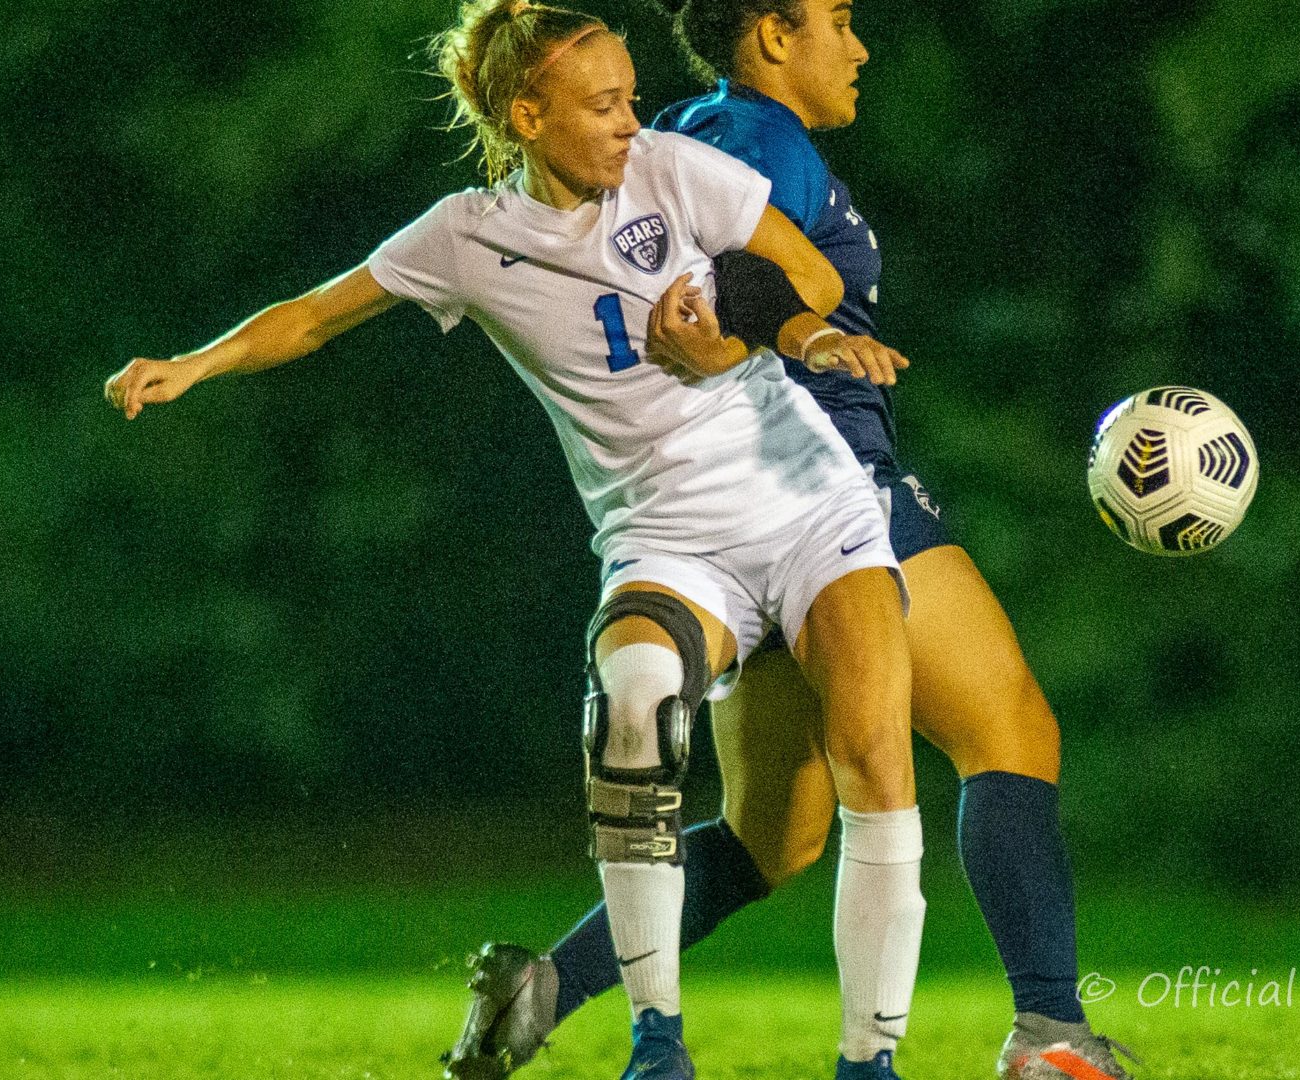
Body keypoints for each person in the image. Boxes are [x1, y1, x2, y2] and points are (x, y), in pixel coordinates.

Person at [101, 3, 931, 1078]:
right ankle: (656, 1045)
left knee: (874, 754)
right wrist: (192, 366)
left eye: (633, 98)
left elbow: (809, 278)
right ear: (527, 115)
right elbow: (312, 314)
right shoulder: (468, 235)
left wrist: (746, 336)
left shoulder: (675, 169)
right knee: (631, 699)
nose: (633, 122)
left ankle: (870, 1062)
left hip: (806, 501)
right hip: (666, 535)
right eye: (604, 106)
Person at [444, 2, 1140, 1079]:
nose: (858, 46)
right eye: (838, 20)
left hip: (758, 506)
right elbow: (699, 292)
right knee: (1010, 732)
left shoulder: (706, 131)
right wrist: (723, 346)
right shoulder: (751, 140)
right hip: (817, 490)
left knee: (780, 840)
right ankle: (1049, 1036)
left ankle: (544, 990)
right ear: (771, 35)